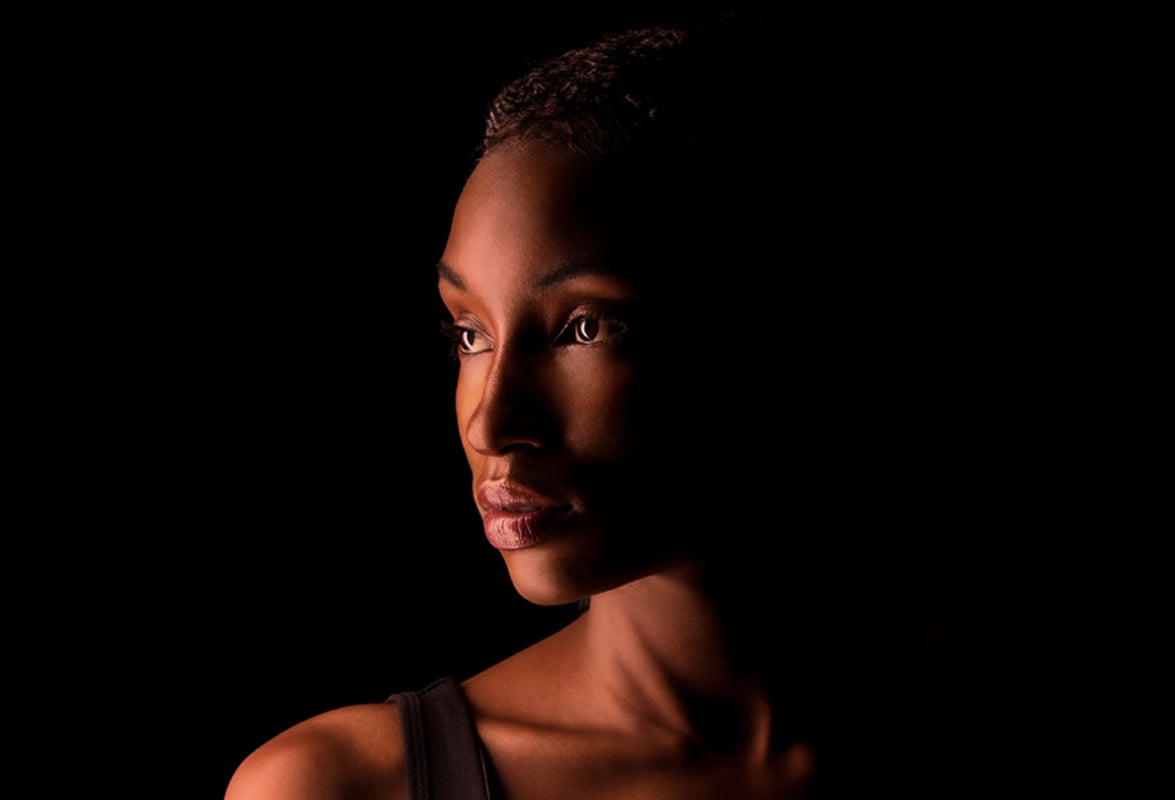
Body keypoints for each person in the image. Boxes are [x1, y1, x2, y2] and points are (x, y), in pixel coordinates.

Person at [224, 13, 984, 799]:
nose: (491, 423)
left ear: (775, 331)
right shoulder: (337, 785)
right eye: (469, 333)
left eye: (584, 327)